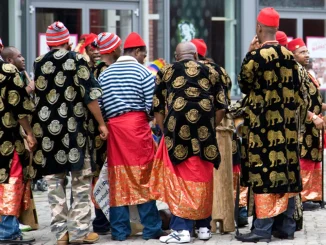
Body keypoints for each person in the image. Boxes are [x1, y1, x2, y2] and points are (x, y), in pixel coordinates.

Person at [31, 21, 108, 245]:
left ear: (48, 43)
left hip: (48, 134)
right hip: (75, 132)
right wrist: (101, 124)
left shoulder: (38, 63)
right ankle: (79, 232)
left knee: (55, 183)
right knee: (81, 181)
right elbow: (90, 95)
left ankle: (61, 234)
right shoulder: (78, 60)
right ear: (67, 41)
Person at [235, 8, 306, 242]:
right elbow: (297, 94)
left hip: (262, 131)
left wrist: (248, 53)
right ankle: (285, 228)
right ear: (276, 29)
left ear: (258, 28)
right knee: (285, 173)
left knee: (263, 174)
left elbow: (244, 85)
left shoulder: (255, 57)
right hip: (287, 130)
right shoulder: (290, 57)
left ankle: (262, 230)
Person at [149, 41, 227, 243]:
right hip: (205, 133)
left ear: (177, 57)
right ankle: (203, 227)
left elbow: (157, 106)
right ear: (196, 56)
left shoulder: (166, 71)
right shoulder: (212, 70)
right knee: (202, 174)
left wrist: (165, 131)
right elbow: (221, 106)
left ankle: (181, 230)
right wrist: (210, 127)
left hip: (177, 131)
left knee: (180, 177)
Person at [98, 32, 163, 241]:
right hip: (137, 128)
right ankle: (151, 229)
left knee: (118, 179)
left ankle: (119, 231)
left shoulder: (104, 75)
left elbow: (100, 106)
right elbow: (150, 106)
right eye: (143, 54)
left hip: (115, 130)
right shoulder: (143, 72)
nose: (144, 58)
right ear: (136, 51)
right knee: (143, 176)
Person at [190, 38, 235, 233]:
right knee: (222, 177)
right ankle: (225, 220)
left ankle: (201, 221)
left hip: (201, 131)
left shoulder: (192, 71)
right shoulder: (221, 71)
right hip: (222, 129)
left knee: (200, 175)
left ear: (193, 55)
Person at [0, 61, 37, 244]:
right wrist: (29, 132)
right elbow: (19, 106)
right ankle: (8, 231)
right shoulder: (7, 70)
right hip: (5, 138)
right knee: (11, 180)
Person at [89, 32, 122, 235]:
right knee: (105, 174)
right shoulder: (105, 70)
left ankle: (102, 221)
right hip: (106, 129)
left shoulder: (96, 69)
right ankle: (102, 221)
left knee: (100, 174)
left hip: (99, 129)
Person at [288, 38, 326, 209]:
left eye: (307, 51)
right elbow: (297, 102)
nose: (307, 55)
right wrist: (312, 116)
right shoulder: (294, 72)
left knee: (314, 159)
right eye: (302, 52)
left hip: (314, 126)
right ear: (292, 54)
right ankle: (303, 197)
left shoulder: (306, 72)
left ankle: (314, 195)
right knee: (304, 160)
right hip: (304, 124)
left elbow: (313, 99)